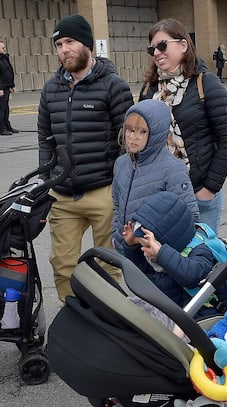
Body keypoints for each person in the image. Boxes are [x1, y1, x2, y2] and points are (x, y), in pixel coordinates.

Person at [37, 14, 134, 303]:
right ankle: (73, 317)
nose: (64, 49)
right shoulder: (50, 89)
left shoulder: (113, 85)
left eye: (70, 42)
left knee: (108, 266)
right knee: (63, 265)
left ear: (87, 45)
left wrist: (120, 183)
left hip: (103, 191)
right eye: (58, 44)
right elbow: (45, 137)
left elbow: (128, 140)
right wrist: (46, 177)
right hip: (63, 194)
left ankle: (110, 321)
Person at [139, 18, 227, 233]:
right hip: (159, 194)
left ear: (183, 45)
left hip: (197, 192)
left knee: (200, 260)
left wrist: (209, 188)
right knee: (163, 259)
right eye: (152, 48)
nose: (157, 53)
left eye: (162, 45)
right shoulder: (150, 88)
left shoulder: (206, 83)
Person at [122, 190, 227, 319]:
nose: (145, 251)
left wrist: (161, 254)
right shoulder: (157, 257)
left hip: (205, 316)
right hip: (176, 314)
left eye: (147, 247)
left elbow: (191, 275)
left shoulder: (200, 250)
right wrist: (131, 246)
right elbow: (142, 272)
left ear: (165, 243)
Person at [111, 99, 199, 254]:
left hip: (155, 252)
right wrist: (116, 236)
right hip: (127, 248)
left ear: (156, 133)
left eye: (142, 131)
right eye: (129, 130)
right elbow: (117, 205)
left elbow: (189, 217)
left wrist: (163, 251)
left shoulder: (172, 168)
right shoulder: (121, 164)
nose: (134, 137)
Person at [0, 41, 18, 135]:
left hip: (6, 87)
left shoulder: (4, 58)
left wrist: (12, 86)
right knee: (1, 109)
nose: (5, 49)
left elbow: (9, 72)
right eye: (2, 48)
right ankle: (1, 128)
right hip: (2, 88)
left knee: (6, 108)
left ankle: (7, 126)